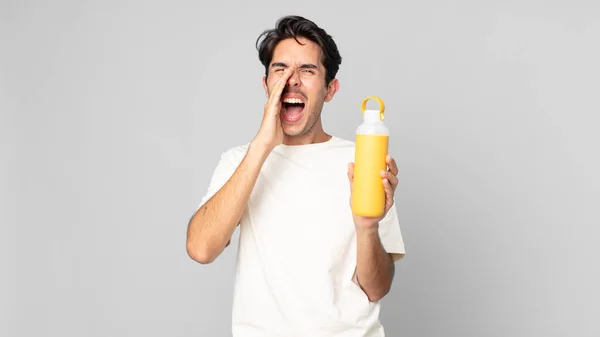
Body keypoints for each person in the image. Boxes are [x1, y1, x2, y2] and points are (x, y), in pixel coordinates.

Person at [186, 15, 405, 337]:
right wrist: (262, 146)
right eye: (280, 69)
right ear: (266, 86)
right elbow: (201, 249)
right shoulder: (238, 161)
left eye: (307, 70)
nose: (292, 80)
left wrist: (368, 227)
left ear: (330, 89)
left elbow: (376, 288)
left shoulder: (363, 161)